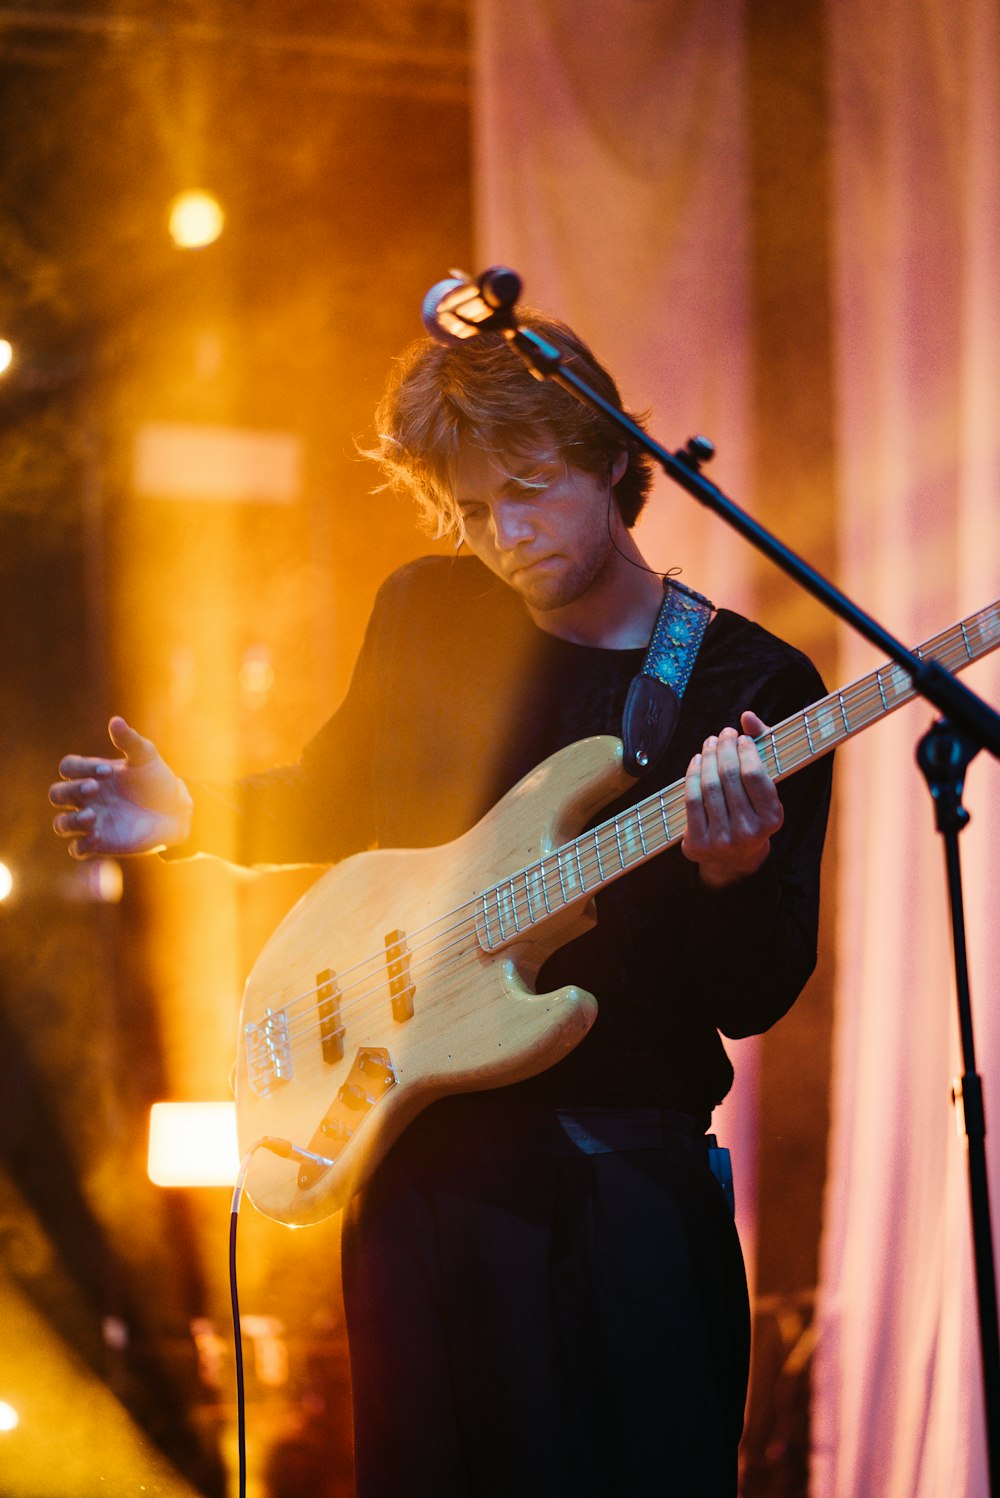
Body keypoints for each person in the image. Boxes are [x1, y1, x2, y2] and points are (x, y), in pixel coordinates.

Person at [50, 310, 832, 1497]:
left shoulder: (749, 684)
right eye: (469, 508)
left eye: (527, 489)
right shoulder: (428, 608)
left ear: (616, 459)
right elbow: (333, 790)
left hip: (617, 1192)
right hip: (418, 1183)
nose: (502, 535)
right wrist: (194, 816)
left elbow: (755, 990)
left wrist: (727, 871)